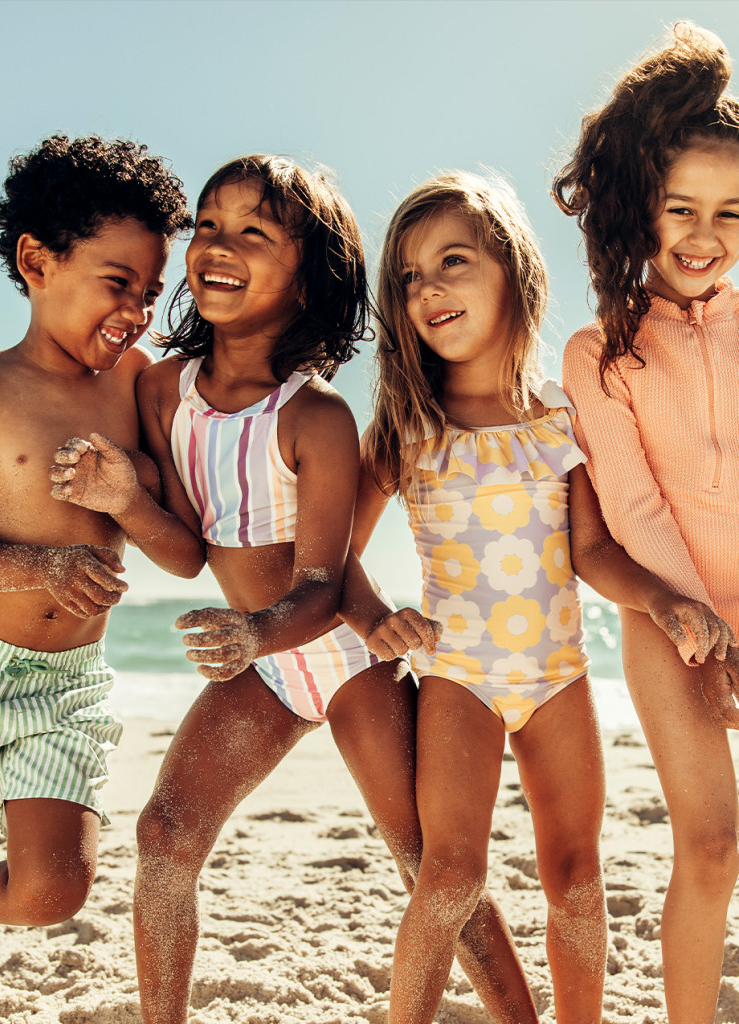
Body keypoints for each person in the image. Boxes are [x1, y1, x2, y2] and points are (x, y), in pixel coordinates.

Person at [53, 154, 526, 1024]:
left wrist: (253, 634)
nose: (219, 244)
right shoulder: (162, 390)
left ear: (308, 276)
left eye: (254, 233)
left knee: (429, 865)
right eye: (208, 224)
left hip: (340, 659)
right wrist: (125, 500)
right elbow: (187, 553)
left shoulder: (316, 417)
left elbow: (322, 585)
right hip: (265, 666)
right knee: (163, 836)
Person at [349, 170, 737, 1024]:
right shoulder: (407, 427)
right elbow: (338, 554)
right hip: (459, 675)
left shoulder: (556, 417)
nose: (429, 287)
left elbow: (592, 550)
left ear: (514, 273)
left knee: (578, 876)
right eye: (410, 276)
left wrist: (662, 601)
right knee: (451, 875)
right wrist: (375, 617)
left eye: (453, 261)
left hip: (559, 672)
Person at [554, 21, 739, 1024]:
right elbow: (632, 507)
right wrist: (703, 627)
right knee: (712, 845)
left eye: (731, 212)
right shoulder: (600, 353)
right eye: (682, 209)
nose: (707, 234)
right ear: (639, 208)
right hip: (666, 616)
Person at [0, 134, 195, 928]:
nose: (137, 311)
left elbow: (185, 554)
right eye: (118, 282)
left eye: (151, 290)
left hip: (67, 683)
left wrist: (128, 501)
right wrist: (43, 566)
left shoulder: (139, 386)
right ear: (37, 261)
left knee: (50, 891)